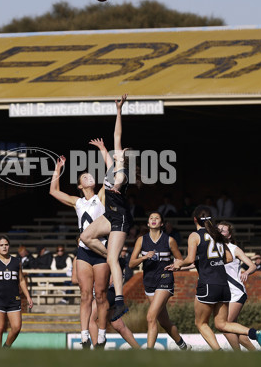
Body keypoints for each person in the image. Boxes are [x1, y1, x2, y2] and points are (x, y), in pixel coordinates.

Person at [167, 206, 261, 351]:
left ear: (195, 219)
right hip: (224, 285)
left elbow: (190, 259)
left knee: (201, 323)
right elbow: (228, 258)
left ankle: (219, 353)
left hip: (208, 283)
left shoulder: (195, 236)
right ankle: (255, 333)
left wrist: (179, 263)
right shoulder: (217, 236)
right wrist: (212, 261)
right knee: (222, 324)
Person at [81, 94, 135, 322]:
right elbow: (117, 134)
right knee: (85, 236)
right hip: (109, 215)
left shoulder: (121, 172)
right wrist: (119, 110)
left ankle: (120, 301)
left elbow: (120, 180)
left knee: (111, 260)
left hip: (120, 218)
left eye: (122, 151)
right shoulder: (114, 164)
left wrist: (117, 187)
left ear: (125, 158)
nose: (119, 150)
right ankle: (116, 259)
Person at [50, 152, 109, 348]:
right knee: (85, 294)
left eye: (90, 175)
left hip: (100, 250)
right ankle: (84, 336)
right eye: (84, 176)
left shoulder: (101, 196)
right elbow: (54, 191)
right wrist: (57, 170)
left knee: (100, 294)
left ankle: (101, 334)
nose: (88, 176)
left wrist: (104, 152)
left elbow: (111, 173)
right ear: (80, 185)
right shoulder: (78, 201)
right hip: (83, 251)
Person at [129, 212, 191, 350]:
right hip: (149, 282)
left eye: (157, 218)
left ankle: (149, 353)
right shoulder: (141, 240)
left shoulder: (169, 240)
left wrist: (176, 265)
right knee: (164, 321)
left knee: (151, 317)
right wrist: (144, 258)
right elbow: (131, 264)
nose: (154, 220)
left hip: (165, 279)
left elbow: (180, 261)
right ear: (148, 223)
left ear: (161, 223)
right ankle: (184, 346)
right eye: (151, 218)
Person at [0, 235, 33, 348]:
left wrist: (28, 297)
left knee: (16, 327)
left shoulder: (16, 261)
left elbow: (22, 280)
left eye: (6, 245)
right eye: (1, 245)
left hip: (14, 299)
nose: (4, 247)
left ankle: (6, 347)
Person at [218, 221, 257, 351]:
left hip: (236, 292)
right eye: (218, 229)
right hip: (224, 294)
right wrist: (180, 265)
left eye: (223, 230)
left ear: (229, 235)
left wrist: (246, 272)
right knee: (233, 328)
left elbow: (253, 265)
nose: (220, 231)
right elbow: (196, 262)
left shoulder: (234, 248)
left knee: (224, 325)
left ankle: (237, 356)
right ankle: (256, 354)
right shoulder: (212, 249)